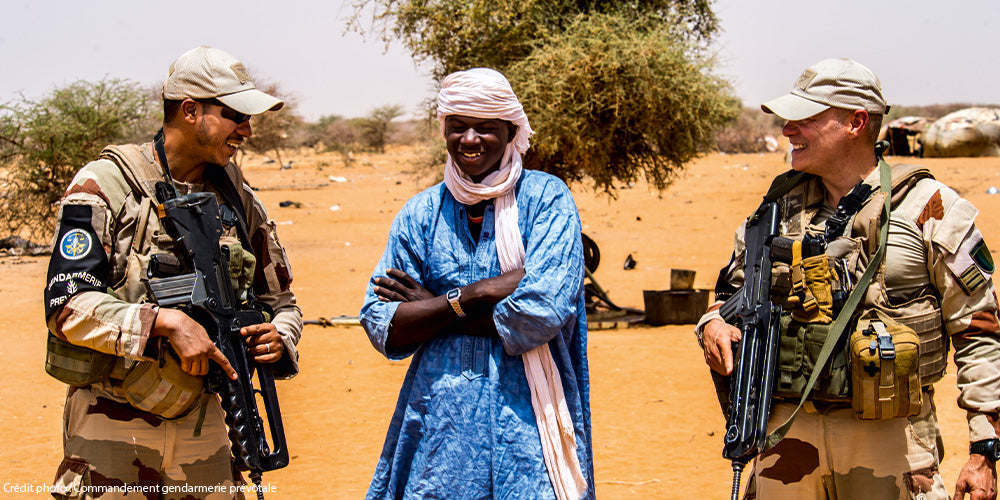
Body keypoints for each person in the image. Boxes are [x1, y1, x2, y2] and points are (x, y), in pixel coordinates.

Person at [696, 57, 1000, 500]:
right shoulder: (776, 211)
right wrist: (715, 325)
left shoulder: (929, 209)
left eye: (806, 118)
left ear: (856, 122)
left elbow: (979, 330)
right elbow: (726, 298)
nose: (787, 130)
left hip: (891, 444)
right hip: (786, 439)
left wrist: (984, 449)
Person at [43, 46, 302, 499]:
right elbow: (66, 305)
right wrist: (164, 322)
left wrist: (280, 336)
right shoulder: (106, 184)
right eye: (234, 114)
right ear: (189, 110)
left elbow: (283, 303)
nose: (247, 128)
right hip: (112, 424)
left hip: (205, 428)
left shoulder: (237, 197)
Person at [360, 68, 594, 499]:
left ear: (510, 130)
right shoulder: (421, 212)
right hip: (437, 425)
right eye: (457, 127)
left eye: (485, 127)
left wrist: (435, 307)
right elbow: (381, 322)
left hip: (531, 425)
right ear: (444, 130)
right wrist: (478, 293)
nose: (469, 139)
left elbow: (544, 311)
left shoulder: (547, 199)